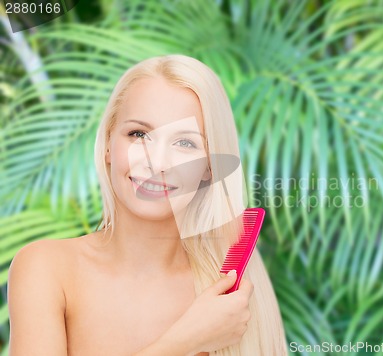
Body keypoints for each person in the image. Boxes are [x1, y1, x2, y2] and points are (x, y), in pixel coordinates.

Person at [8, 55, 287, 355]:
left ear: (209, 166)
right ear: (108, 146)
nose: (158, 162)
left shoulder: (229, 294)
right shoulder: (47, 270)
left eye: (185, 143)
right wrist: (187, 340)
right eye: (139, 134)